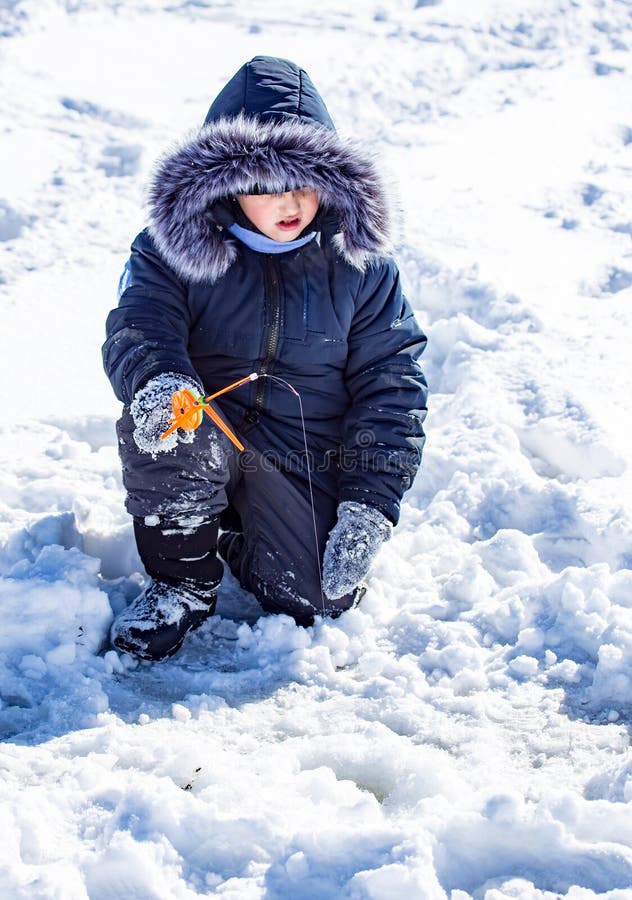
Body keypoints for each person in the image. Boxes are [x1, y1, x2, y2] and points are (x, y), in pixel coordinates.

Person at [103, 55, 428, 661]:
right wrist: (157, 380)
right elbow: (138, 325)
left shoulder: (361, 266)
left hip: (302, 453)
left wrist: (369, 502)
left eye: (304, 182)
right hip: (205, 427)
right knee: (174, 420)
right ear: (228, 188)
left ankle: (239, 535)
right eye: (266, 186)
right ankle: (183, 581)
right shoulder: (172, 252)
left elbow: (393, 384)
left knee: (317, 599)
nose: (289, 203)